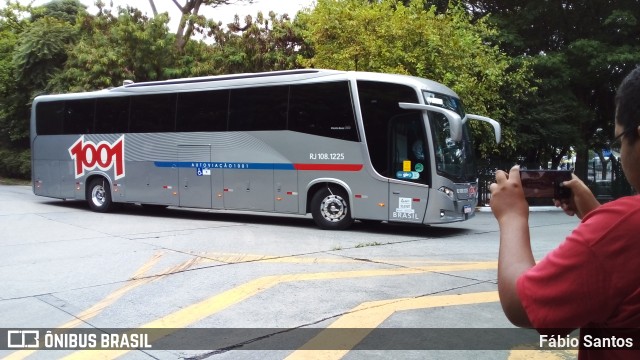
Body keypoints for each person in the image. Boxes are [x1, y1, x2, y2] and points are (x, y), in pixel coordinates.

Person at [489, 67, 640, 360]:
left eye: (618, 139)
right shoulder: (622, 228)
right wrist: (597, 215)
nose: (620, 151)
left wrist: (512, 217)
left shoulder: (626, 226)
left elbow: (524, 307)